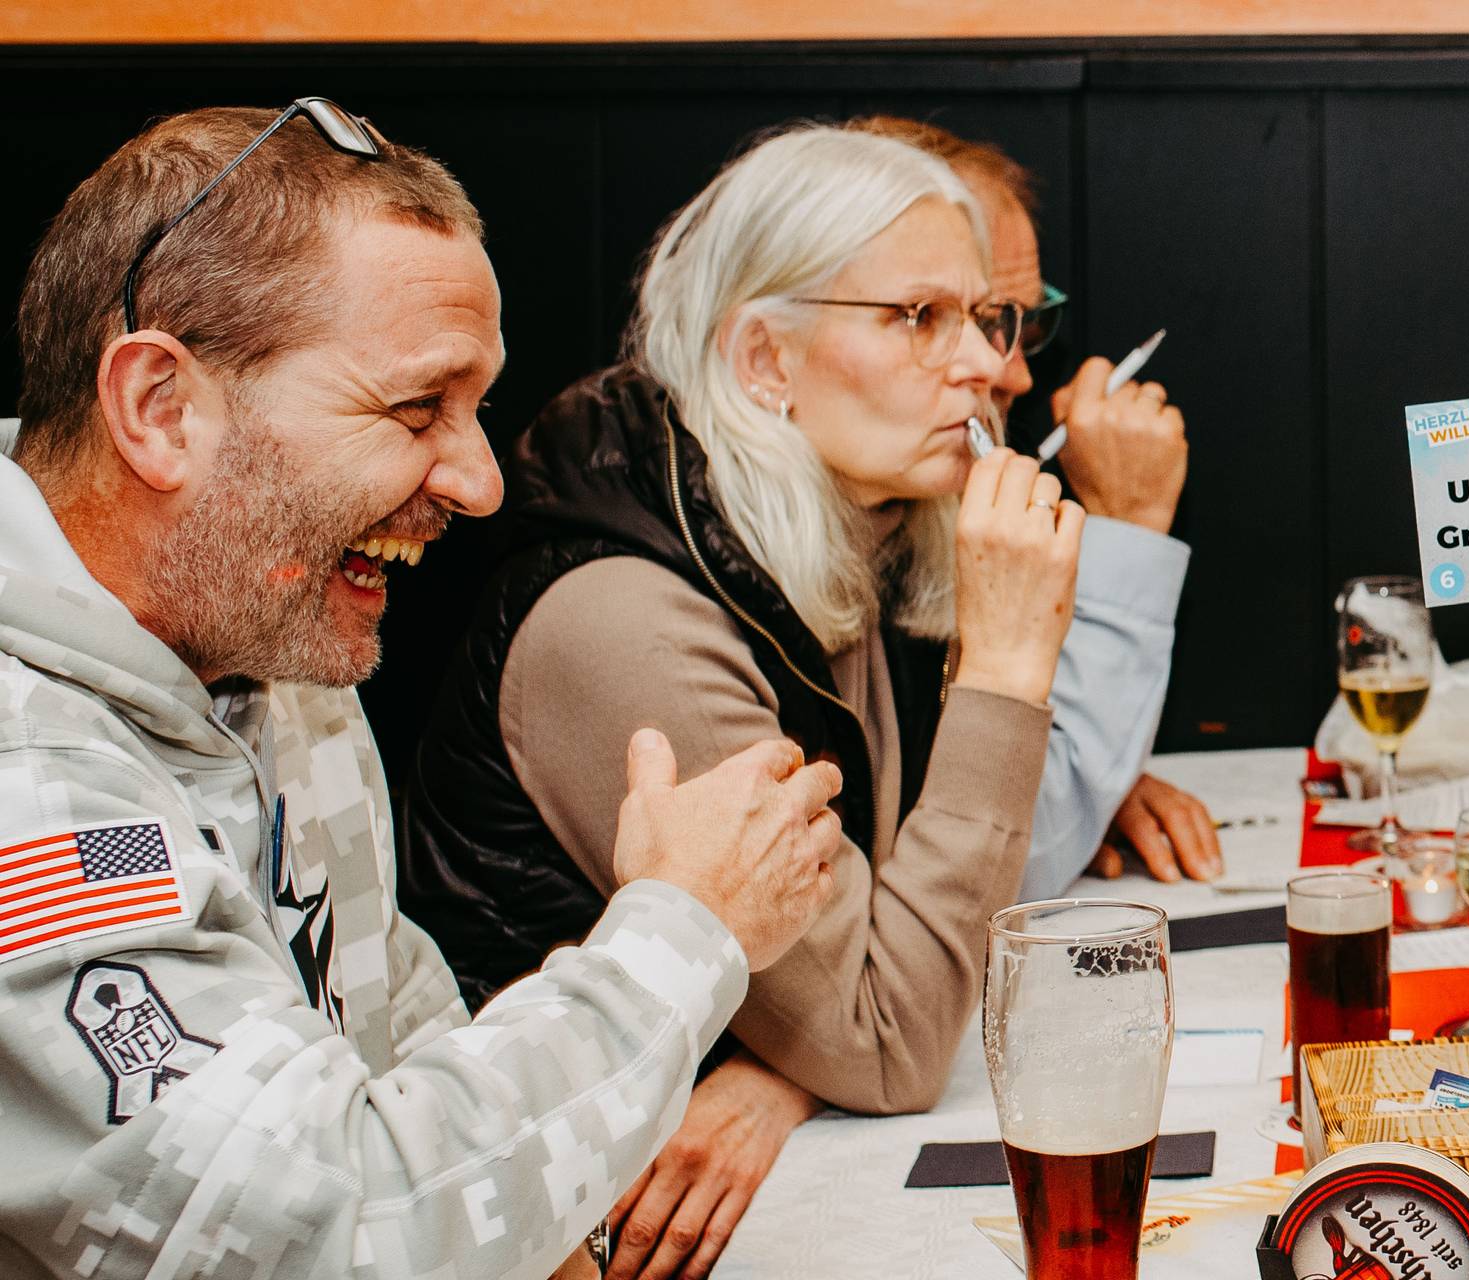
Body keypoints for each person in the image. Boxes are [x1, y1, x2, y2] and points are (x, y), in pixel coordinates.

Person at [0, 102, 844, 1280]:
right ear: (160, 408)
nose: (482, 480)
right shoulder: (25, 782)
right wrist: (685, 928)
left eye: (476, 409)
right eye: (413, 407)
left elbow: (396, 1038)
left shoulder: (275, 645)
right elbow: (333, 1234)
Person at [398, 124, 1097, 1280]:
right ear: (764, 360)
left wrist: (784, 1063)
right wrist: (1008, 661)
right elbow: (894, 1035)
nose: (981, 364)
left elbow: (866, 960)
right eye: (918, 317)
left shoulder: (820, 525)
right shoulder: (627, 616)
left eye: (982, 318)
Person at [844, 113, 1222, 886]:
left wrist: (1072, 779)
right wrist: (1124, 519)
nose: (1010, 373)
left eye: (1015, 321)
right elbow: (1009, 874)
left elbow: (1002, 815)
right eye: (943, 317)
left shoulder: (917, 502)